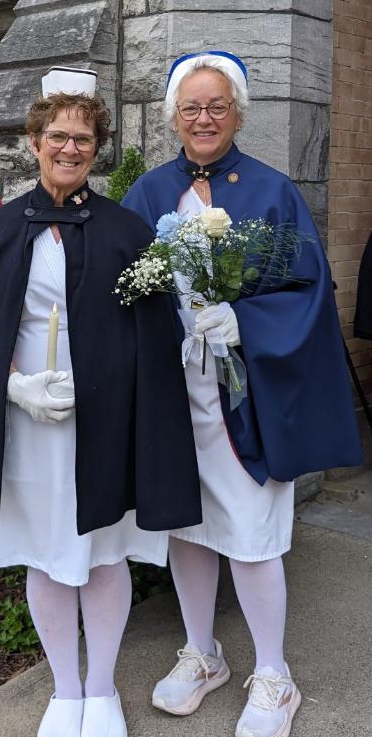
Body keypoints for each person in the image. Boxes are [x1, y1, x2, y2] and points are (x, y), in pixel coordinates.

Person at [0, 67, 201, 737]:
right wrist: (12, 384)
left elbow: (154, 338)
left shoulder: (127, 232)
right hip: (28, 426)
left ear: (97, 147)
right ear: (35, 141)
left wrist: (106, 381)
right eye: (57, 135)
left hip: (102, 424)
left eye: (82, 138)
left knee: (102, 555)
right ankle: (65, 690)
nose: (69, 148)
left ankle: (101, 690)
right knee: (46, 557)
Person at [123, 51, 362, 737]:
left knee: (253, 536)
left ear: (238, 114)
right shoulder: (147, 193)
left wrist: (244, 323)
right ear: (173, 116)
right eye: (191, 107)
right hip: (174, 395)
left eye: (217, 106)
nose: (204, 119)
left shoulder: (272, 190)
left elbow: (309, 292)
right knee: (187, 528)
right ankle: (203, 654)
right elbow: (121, 288)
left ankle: (275, 676)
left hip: (243, 397)